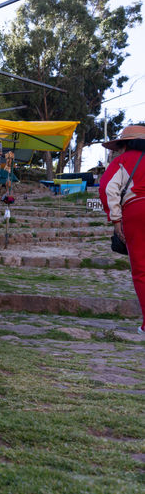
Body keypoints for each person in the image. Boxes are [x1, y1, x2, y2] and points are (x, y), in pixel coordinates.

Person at [99, 124, 145, 336]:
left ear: (125, 144)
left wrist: (116, 219)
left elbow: (108, 188)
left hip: (136, 212)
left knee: (141, 270)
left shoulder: (122, 161)